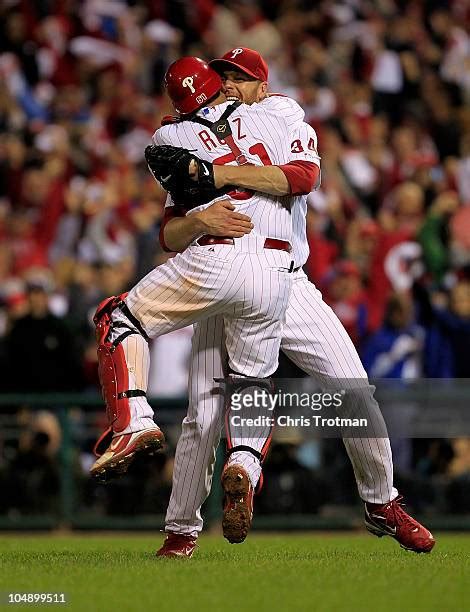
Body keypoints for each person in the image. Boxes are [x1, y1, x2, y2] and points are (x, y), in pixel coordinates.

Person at [153, 48, 435, 558]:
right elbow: (169, 232)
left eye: (242, 77)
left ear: (262, 85)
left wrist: (218, 175)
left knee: (355, 394)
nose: (231, 85)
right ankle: (181, 530)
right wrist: (196, 215)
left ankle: (381, 503)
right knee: (202, 415)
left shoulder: (279, 115)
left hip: (289, 279)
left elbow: (302, 177)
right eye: (225, 78)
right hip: (224, 279)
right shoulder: (194, 136)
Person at [89, 56, 320, 500]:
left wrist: (210, 180)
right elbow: (302, 173)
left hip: (216, 259)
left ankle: (134, 419)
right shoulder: (273, 113)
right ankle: (246, 464)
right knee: (254, 379)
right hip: (275, 273)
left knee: (119, 318)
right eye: (226, 79)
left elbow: (170, 222)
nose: (233, 85)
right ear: (219, 86)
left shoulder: (170, 135)